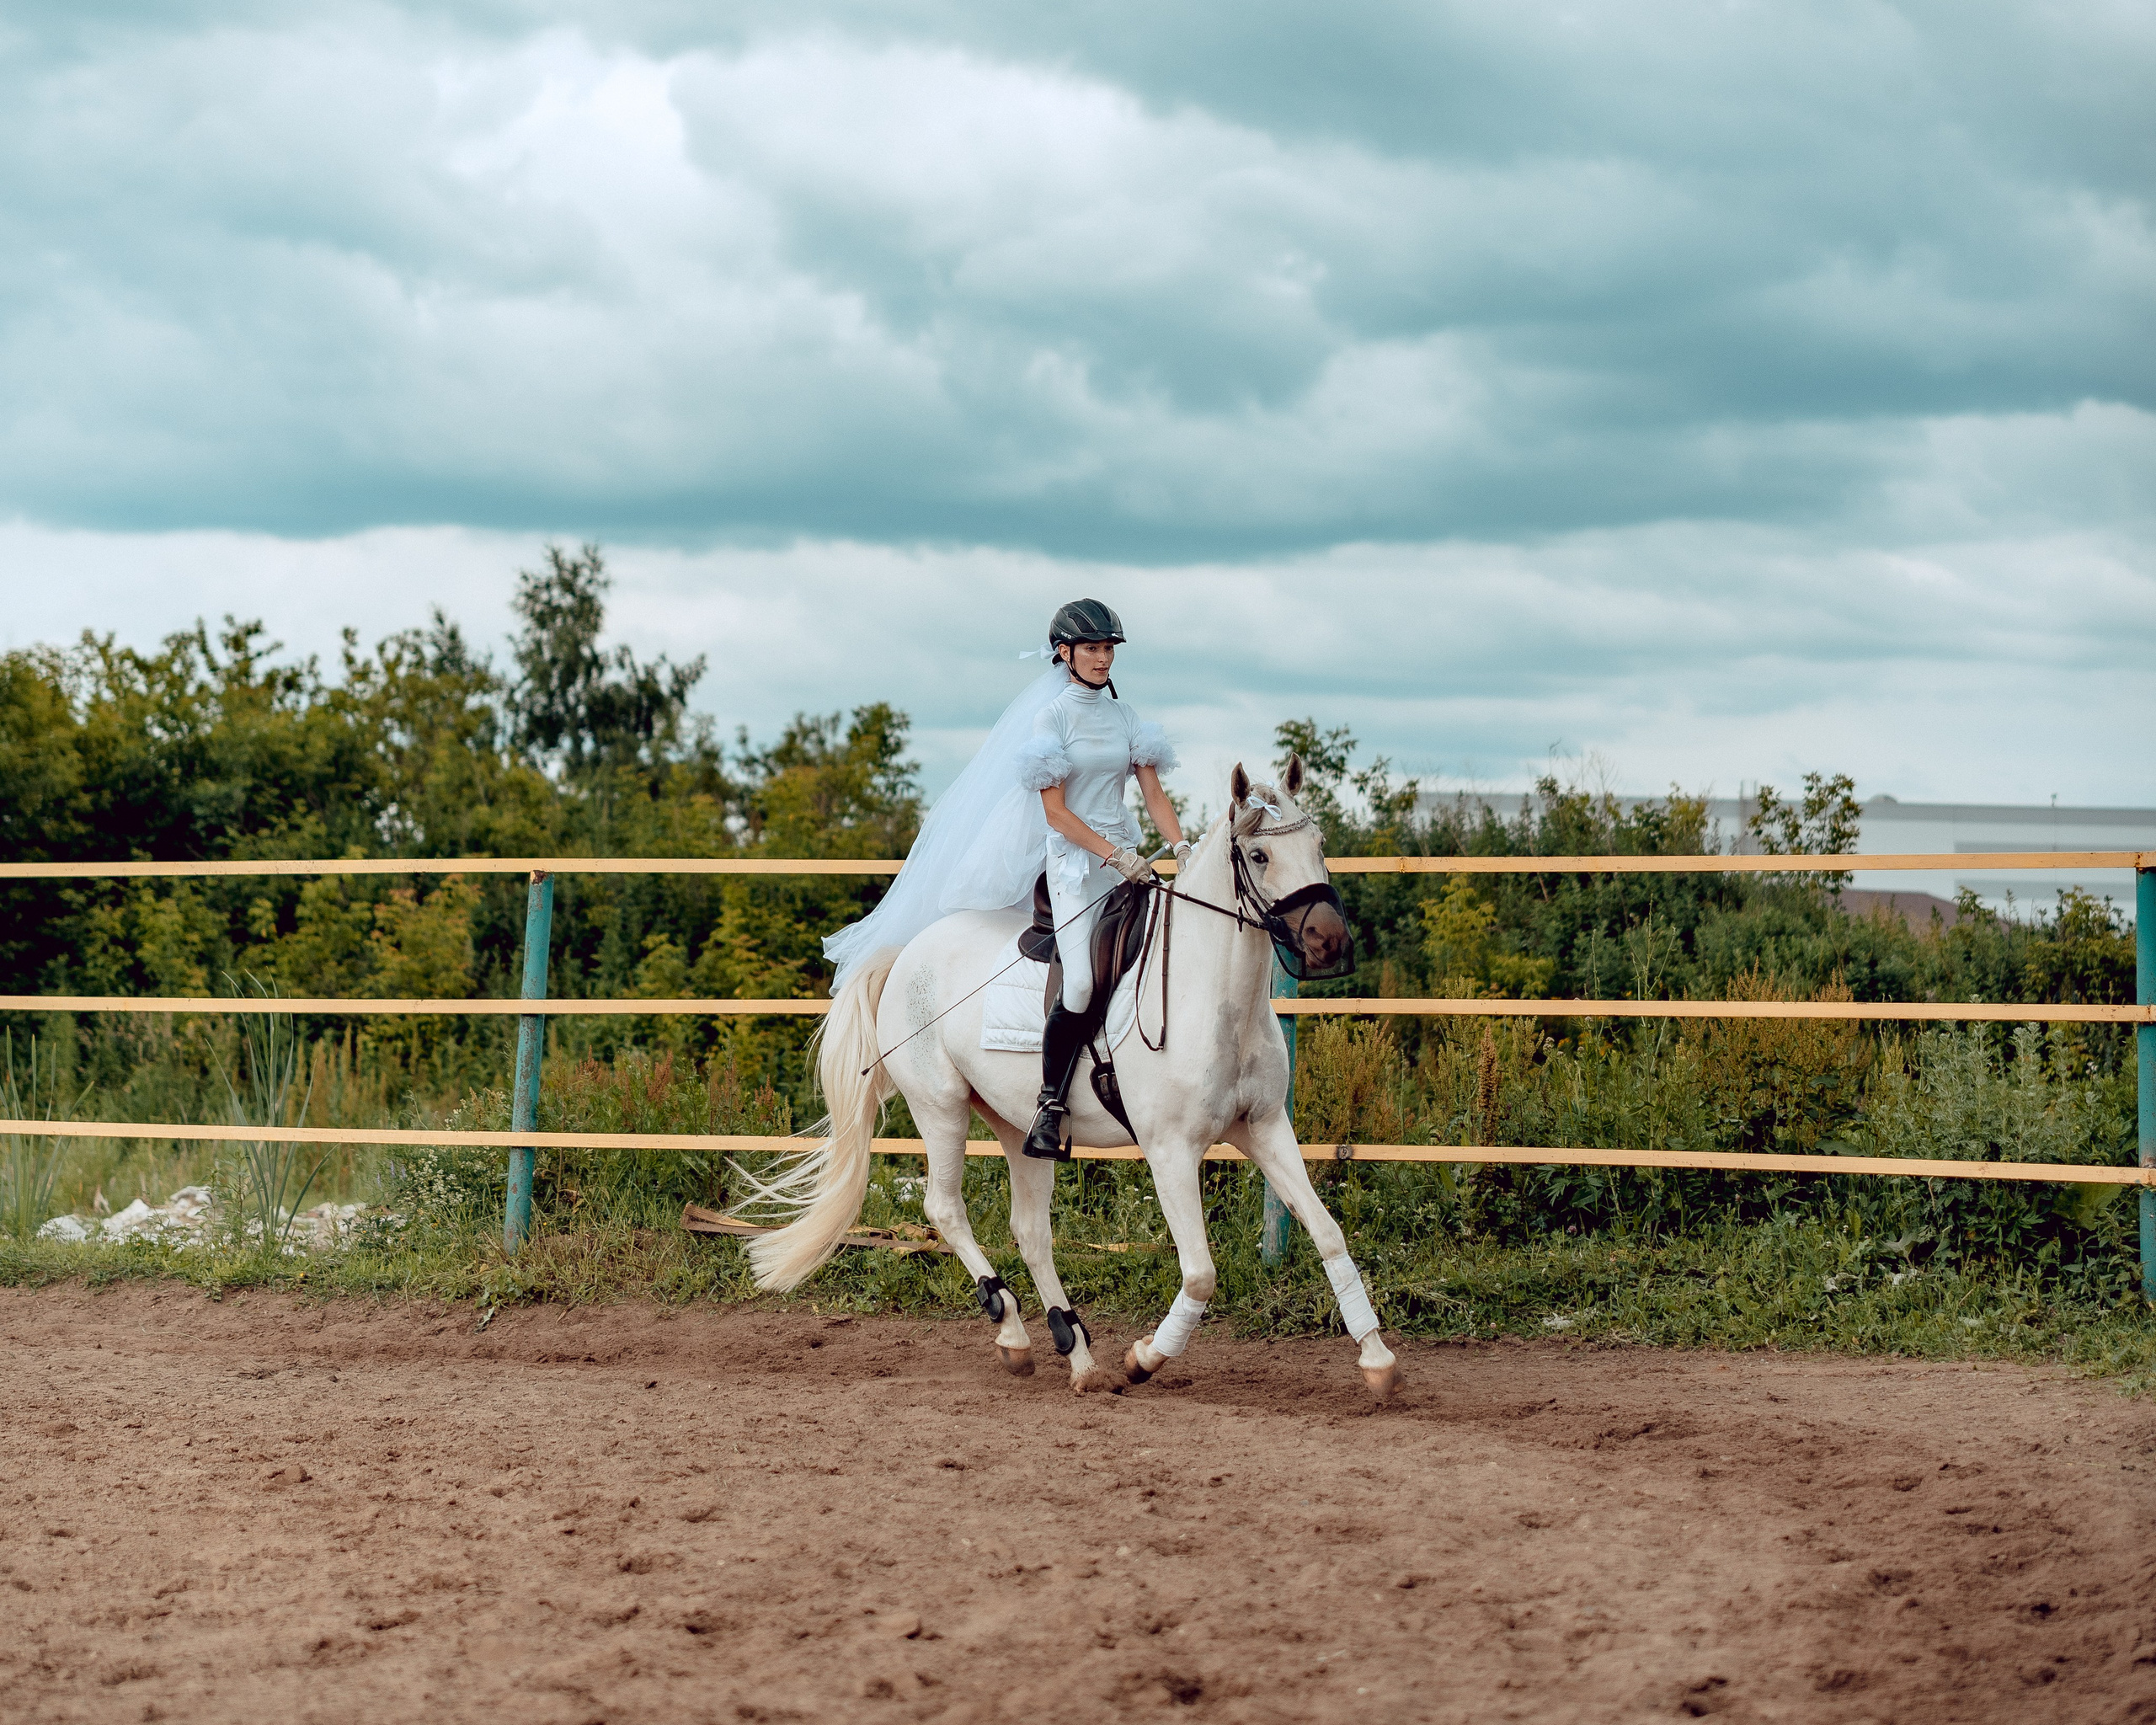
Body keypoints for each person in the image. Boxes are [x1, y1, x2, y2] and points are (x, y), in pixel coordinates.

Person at [1014, 600, 1187, 1158]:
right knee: (1083, 984)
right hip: (1076, 867)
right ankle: (1050, 1105)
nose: (1102, 658)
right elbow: (1056, 814)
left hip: (1128, 863)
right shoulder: (1052, 719)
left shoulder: (1125, 716)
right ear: (1064, 654)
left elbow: (1153, 795)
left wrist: (1184, 847)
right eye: (1091, 648)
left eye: (1108, 648)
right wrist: (1113, 855)